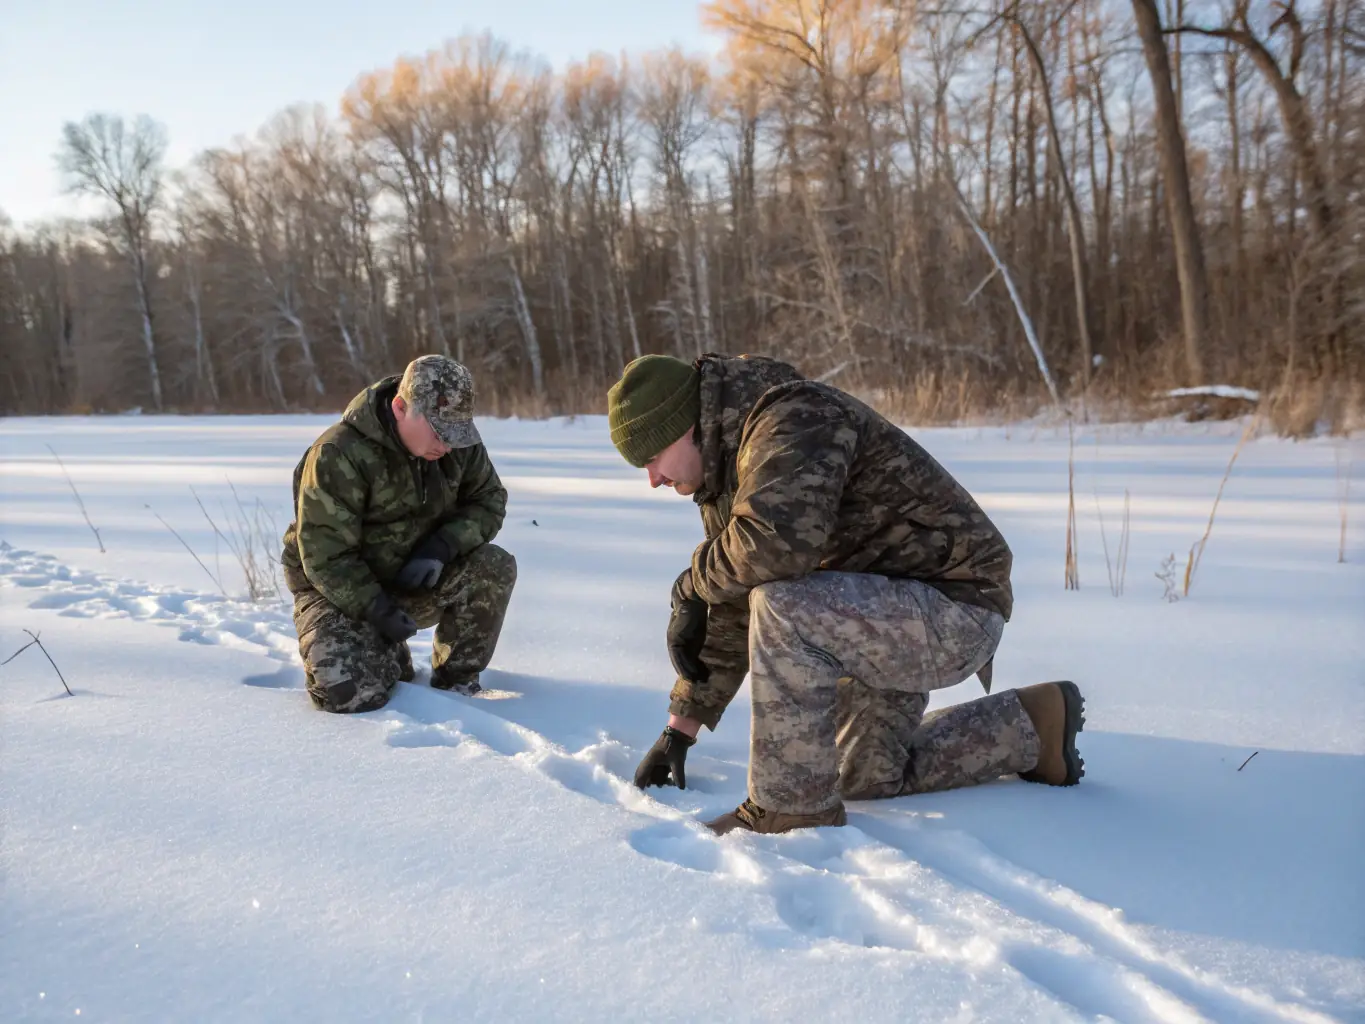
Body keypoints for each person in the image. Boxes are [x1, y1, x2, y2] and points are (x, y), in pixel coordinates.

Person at [608, 353, 1084, 835]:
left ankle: (791, 807)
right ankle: (1032, 726)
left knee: (783, 607)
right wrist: (680, 729)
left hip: (955, 607)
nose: (653, 478)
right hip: (880, 611)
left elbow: (775, 547)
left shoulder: (792, 417)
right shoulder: (725, 468)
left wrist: (690, 584)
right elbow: (735, 594)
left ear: (687, 426)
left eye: (652, 458)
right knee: (860, 772)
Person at [282, 355, 516, 713]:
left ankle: (456, 684)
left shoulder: (457, 446)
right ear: (400, 407)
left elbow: (489, 500)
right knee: (348, 693)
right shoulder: (338, 454)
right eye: (439, 431)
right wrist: (376, 609)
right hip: (338, 593)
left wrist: (442, 546)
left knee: (493, 565)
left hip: (415, 578)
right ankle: (382, 651)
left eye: (457, 433)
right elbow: (325, 558)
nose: (449, 445)